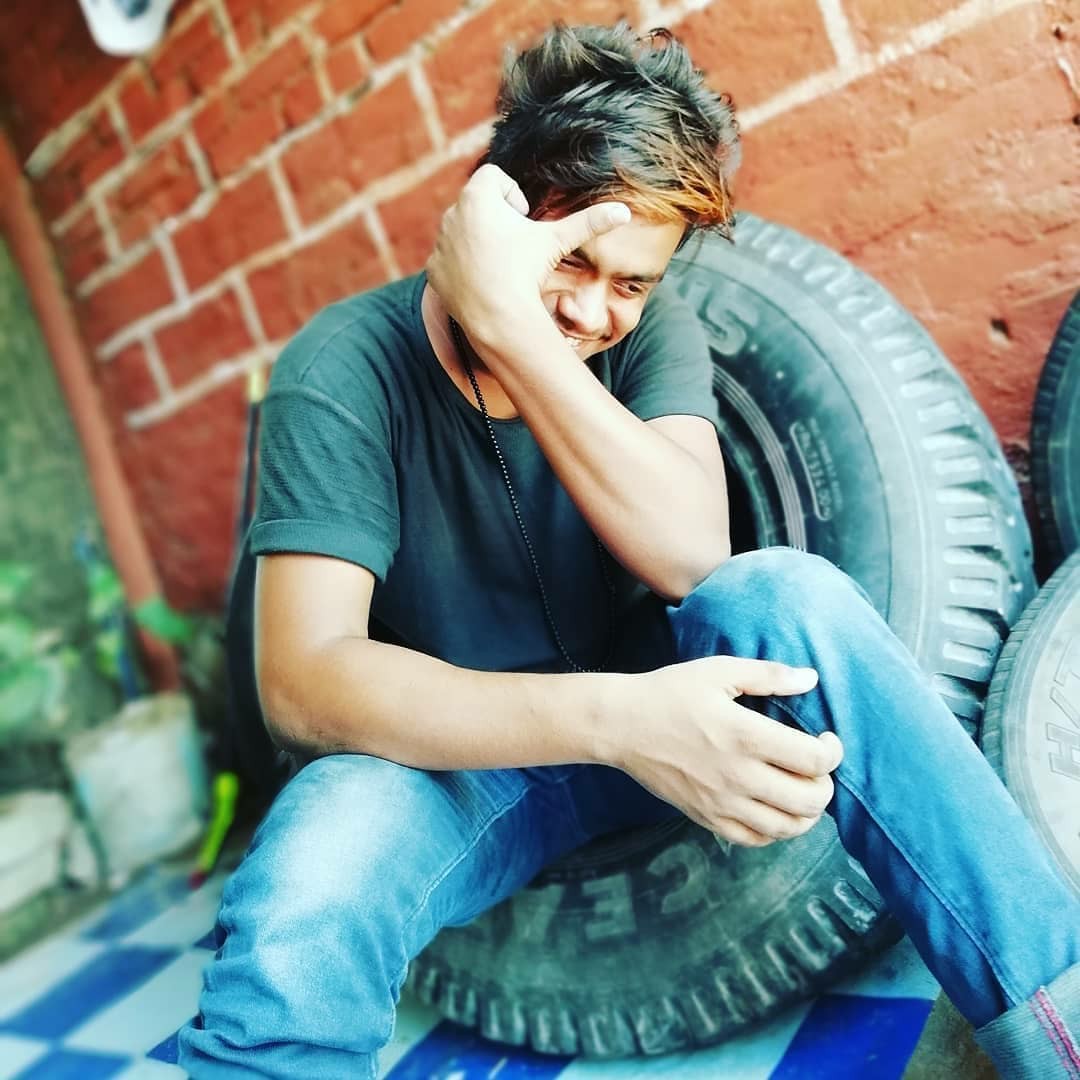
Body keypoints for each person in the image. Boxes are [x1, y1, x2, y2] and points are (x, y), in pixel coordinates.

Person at [178, 22, 1080, 1079]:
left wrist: (517, 331)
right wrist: (616, 720)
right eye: (570, 260)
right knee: (319, 853)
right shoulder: (341, 368)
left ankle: (1062, 1034)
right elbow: (301, 682)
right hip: (468, 761)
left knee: (780, 594)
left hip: (680, 709)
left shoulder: (649, 332)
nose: (593, 309)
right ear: (494, 214)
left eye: (631, 282)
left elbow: (691, 556)